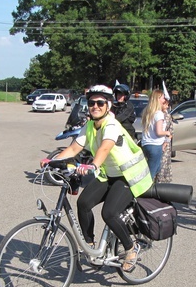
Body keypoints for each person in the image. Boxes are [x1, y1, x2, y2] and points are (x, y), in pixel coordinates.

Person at [41, 85, 153, 272]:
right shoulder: (90, 125)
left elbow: (105, 148)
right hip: (108, 174)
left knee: (109, 213)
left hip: (127, 176)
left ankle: (131, 248)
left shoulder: (111, 124)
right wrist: (51, 161)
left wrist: (93, 165)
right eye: (92, 102)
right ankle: (91, 246)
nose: (95, 106)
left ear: (108, 105)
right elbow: (74, 148)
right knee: (83, 203)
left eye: (100, 102)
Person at [141, 89, 172, 179]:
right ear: (157, 99)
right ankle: (145, 191)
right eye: (163, 98)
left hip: (146, 144)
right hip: (155, 146)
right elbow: (159, 132)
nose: (164, 100)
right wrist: (167, 132)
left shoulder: (147, 112)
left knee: (157, 168)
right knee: (151, 174)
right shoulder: (159, 114)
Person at [155, 95, 173, 183]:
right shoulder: (155, 113)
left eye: (167, 105)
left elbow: (170, 132)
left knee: (163, 166)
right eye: (165, 104)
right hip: (156, 143)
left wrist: (166, 143)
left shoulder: (167, 116)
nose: (166, 106)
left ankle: (162, 184)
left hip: (164, 145)